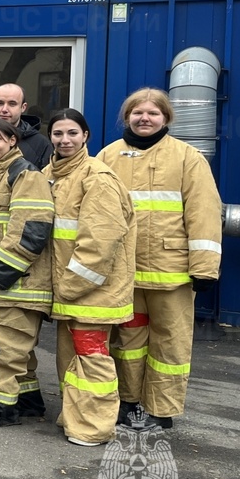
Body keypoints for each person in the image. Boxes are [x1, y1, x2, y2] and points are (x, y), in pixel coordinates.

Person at [97, 88, 222, 431]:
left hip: (172, 274)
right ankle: (128, 401)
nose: (145, 118)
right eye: (137, 112)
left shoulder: (187, 158)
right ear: (127, 117)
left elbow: (204, 214)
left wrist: (205, 268)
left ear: (166, 118)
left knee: (170, 342)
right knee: (127, 341)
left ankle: (161, 410)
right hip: (125, 273)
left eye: (153, 113)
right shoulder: (108, 156)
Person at [46, 109, 136, 446]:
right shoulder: (51, 174)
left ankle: (92, 428)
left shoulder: (98, 177)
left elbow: (100, 242)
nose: (64, 140)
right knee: (69, 357)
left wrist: (69, 286)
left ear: (86, 136)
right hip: (70, 289)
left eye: (72, 133)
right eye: (58, 133)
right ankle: (75, 417)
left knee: (90, 358)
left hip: (92, 290)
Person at [0, 119, 54, 427]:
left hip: (18, 284)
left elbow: (32, 231)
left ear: (13, 140)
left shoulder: (25, 174)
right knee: (17, 349)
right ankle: (27, 401)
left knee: (1, 347)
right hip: (6, 282)